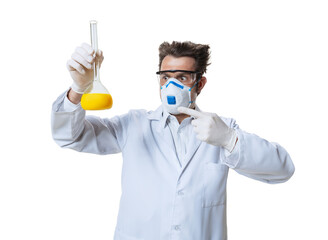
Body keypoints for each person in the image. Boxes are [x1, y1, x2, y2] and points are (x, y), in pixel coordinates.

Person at [51, 41, 295, 240]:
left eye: (182, 77)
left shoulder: (221, 130)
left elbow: (282, 169)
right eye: (165, 77)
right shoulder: (133, 125)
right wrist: (78, 88)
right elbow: (68, 136)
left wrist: (230, 140)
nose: (171, 85)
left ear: (200, 83)